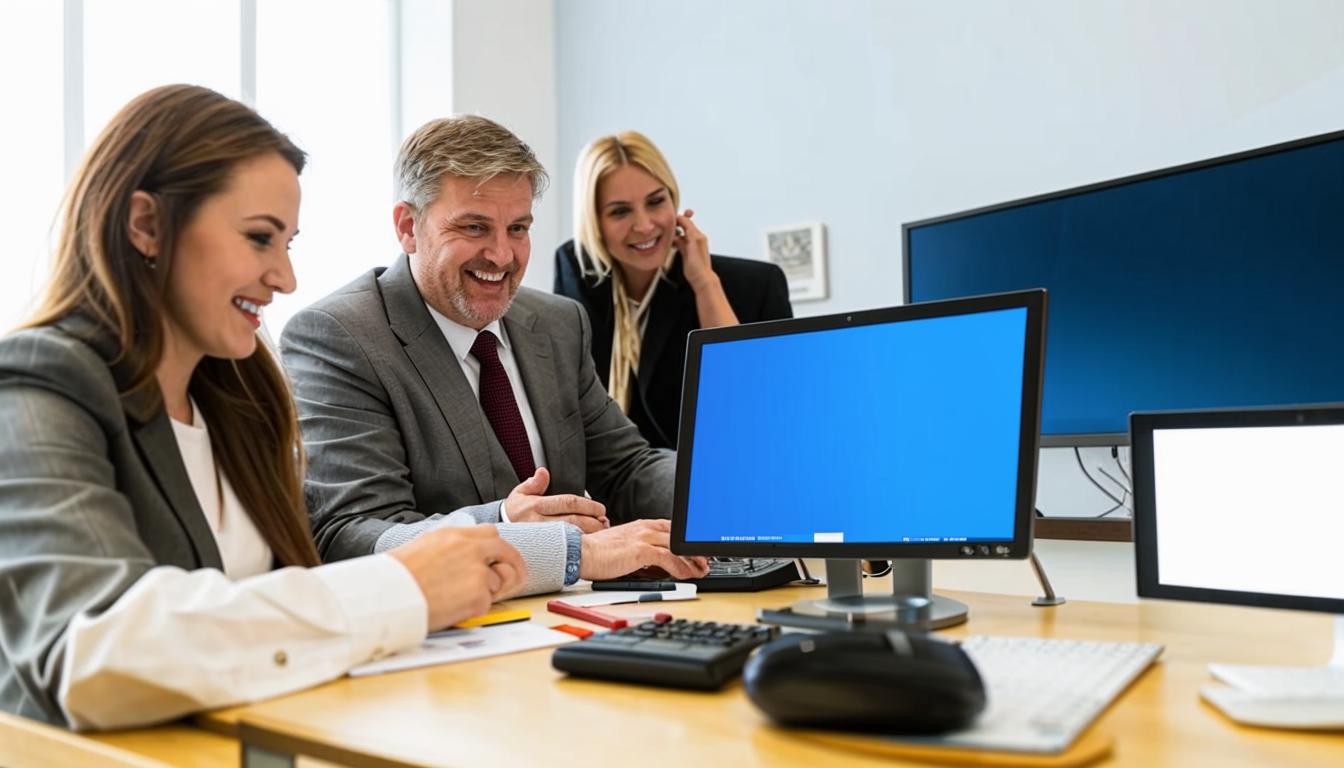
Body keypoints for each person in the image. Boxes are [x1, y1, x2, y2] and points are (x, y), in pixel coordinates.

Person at [0, 85, 525, 731]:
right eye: (258, 238)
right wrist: (401, 586)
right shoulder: (38, 382)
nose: (285, 278)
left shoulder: (240, 397)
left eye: (288, 244)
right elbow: (92, 650)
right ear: (146, 225)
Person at [280, 116, 708, 596]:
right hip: (449, 627)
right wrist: (515, 527)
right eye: (474, 227)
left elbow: (627, 469)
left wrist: (726, 492)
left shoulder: (557, 323)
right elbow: (351, 535)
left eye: (518, 228)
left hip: (568, 618)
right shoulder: (339, 337)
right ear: (407, 227)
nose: (502, 256)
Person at [554, 131, 793, 449]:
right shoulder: (579, 272)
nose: (644, 225)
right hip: (607, 473)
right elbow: (567, 393)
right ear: (593, 221)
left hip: (717, 465)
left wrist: (704, 283)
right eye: (620, 211)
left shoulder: (755, 285)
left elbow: (755, 403)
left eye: (656, 202)